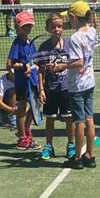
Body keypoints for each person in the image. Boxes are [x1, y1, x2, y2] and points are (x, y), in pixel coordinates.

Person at [51, 1, 97, 169]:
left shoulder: (74, 38)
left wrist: (61, 66)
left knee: (79, 121)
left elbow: (79, 61)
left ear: (74, 17)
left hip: (77, 85)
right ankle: (90, 155)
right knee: (90, 118)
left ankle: (77, 157)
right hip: (89, 82)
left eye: (69, 18)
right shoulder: (92, 31)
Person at [38, 13, 75, 161]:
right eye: (53, 27)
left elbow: (74, 64)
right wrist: (41, 89)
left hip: (66, 88)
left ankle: (71, 145)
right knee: (50, 118)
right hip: (50, 89)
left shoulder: (69, 45)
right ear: (47, 28)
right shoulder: (44, 47)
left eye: (59, 26)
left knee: (68, 118)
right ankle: (48, 146)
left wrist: (61, 67)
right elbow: (40, 69)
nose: (57, 29)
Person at [6, 11, 41, 151]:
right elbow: (9, 64)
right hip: (22, 82)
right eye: (24, 26)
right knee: (21, 110)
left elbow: (33, 60)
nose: (27, 28)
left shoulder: (30, 42)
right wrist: (22, 66)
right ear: (17, 27)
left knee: (34, 108)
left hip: (33, 81)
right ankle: (22, 138)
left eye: (29, 25)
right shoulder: (17, 43)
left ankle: (26, 131)